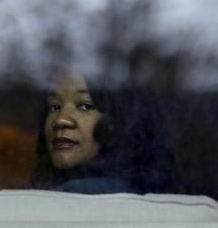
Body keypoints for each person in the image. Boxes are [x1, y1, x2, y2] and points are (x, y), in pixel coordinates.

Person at [30, 69, 172, 194]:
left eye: (84, 106)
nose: (61, 120)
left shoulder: (78, 194)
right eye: (54, 107)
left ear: (116, 122)